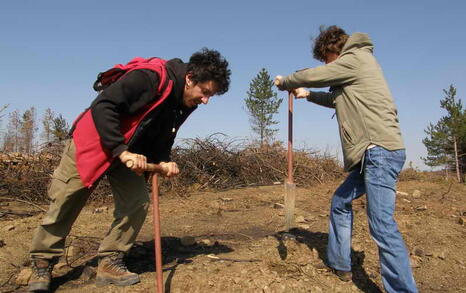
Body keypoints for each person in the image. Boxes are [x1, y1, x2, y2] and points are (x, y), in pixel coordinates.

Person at [28, 48, 231, 291]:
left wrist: (163, 160)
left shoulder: (186, 101)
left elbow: (165, 134)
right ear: (190, 78)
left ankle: (110, 262)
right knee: (66, 200)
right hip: (96, 141)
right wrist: (120, 150)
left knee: (136, 202)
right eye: (205, 92)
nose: (206, 100)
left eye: (211, 95)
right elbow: (103, 107)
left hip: (131, 151)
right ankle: (42, 263)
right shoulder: (149, 78)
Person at [274, 26, 418, 293]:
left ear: (333, 50)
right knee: (340, 202)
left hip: (379, 153)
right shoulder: (355, 68)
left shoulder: (357, 58)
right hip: (371, 155)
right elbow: (337, 99)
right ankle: (340, 264)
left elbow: (318, 75)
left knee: (382, 226)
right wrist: (309, 95)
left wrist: (289, 81)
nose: (327, 64)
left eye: (326, 59)